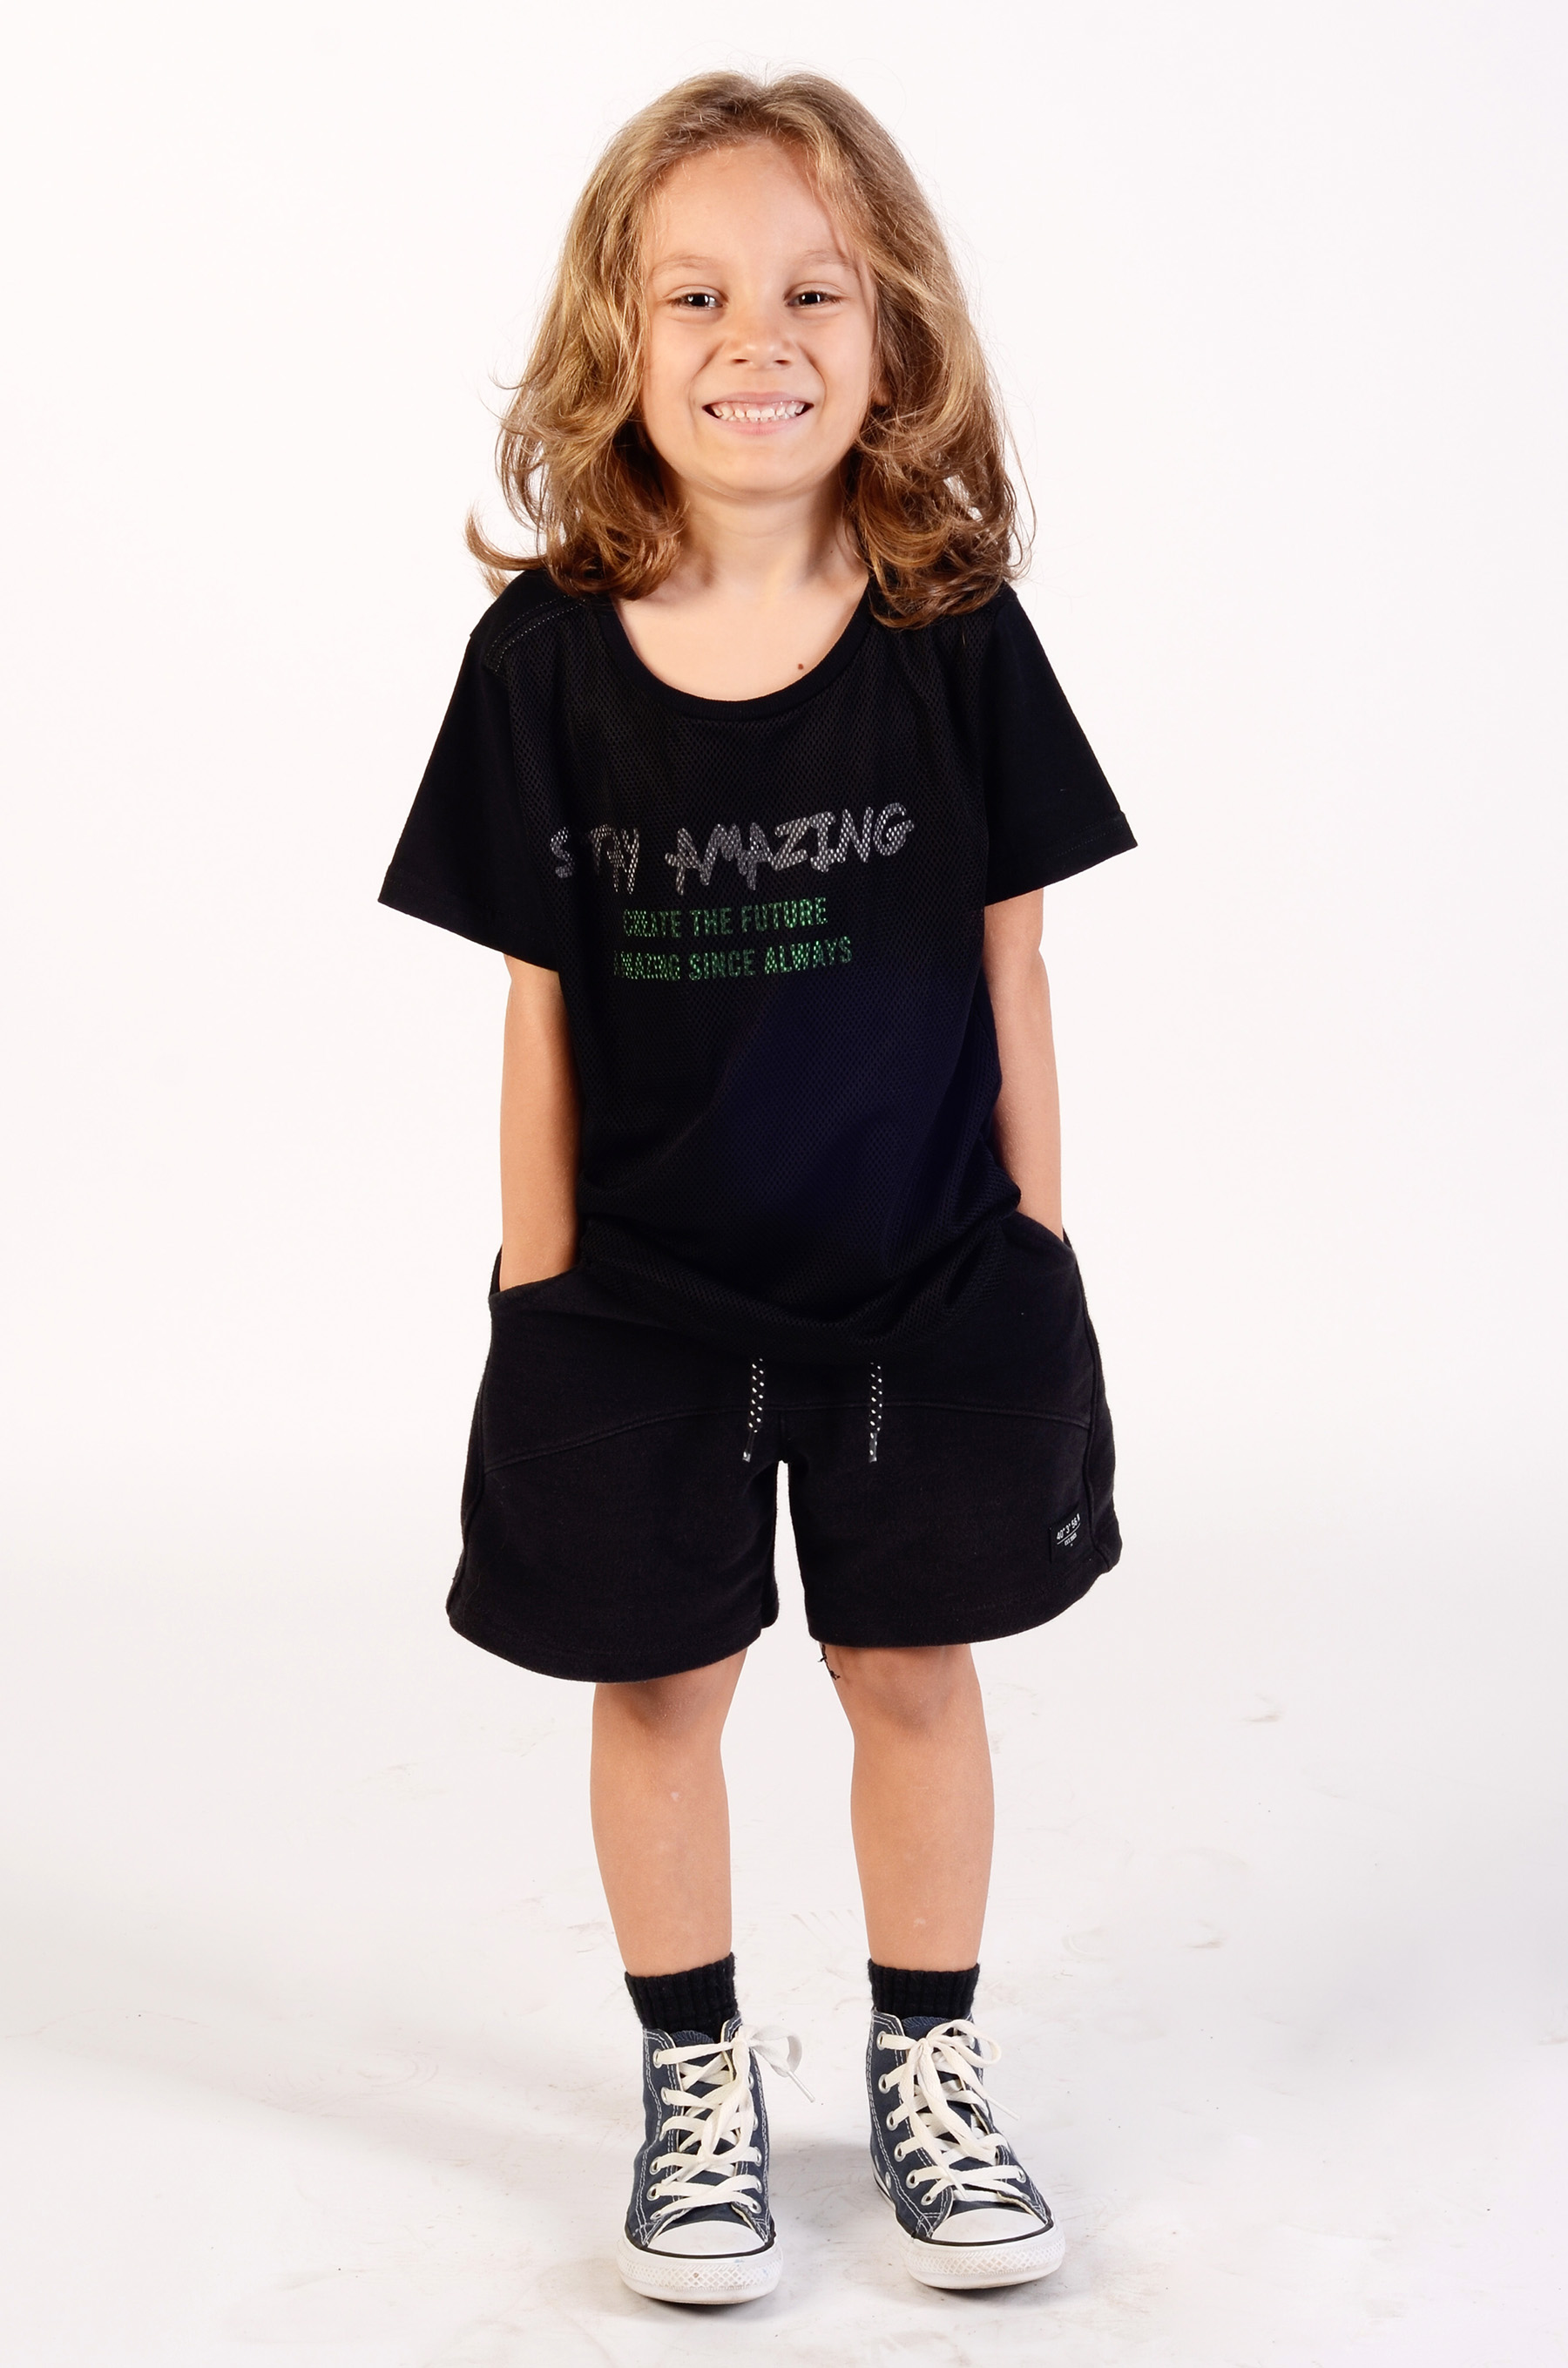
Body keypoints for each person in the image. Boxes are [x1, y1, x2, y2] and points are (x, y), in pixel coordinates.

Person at [379, 69, 1135, 2308]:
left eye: (814, 291)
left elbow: (1014, 966)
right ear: (615, 336)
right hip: (636, 1296)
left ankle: (930, 2063)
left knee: (911, 1668)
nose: (756, 340)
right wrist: (540, 1296)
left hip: (928, 1275)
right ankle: (693, 2075)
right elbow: (536, 1008)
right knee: (663, 1686)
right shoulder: (542, 666)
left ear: (893, 330)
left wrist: (1035, 1248)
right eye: (695, 294)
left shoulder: (955, 635)